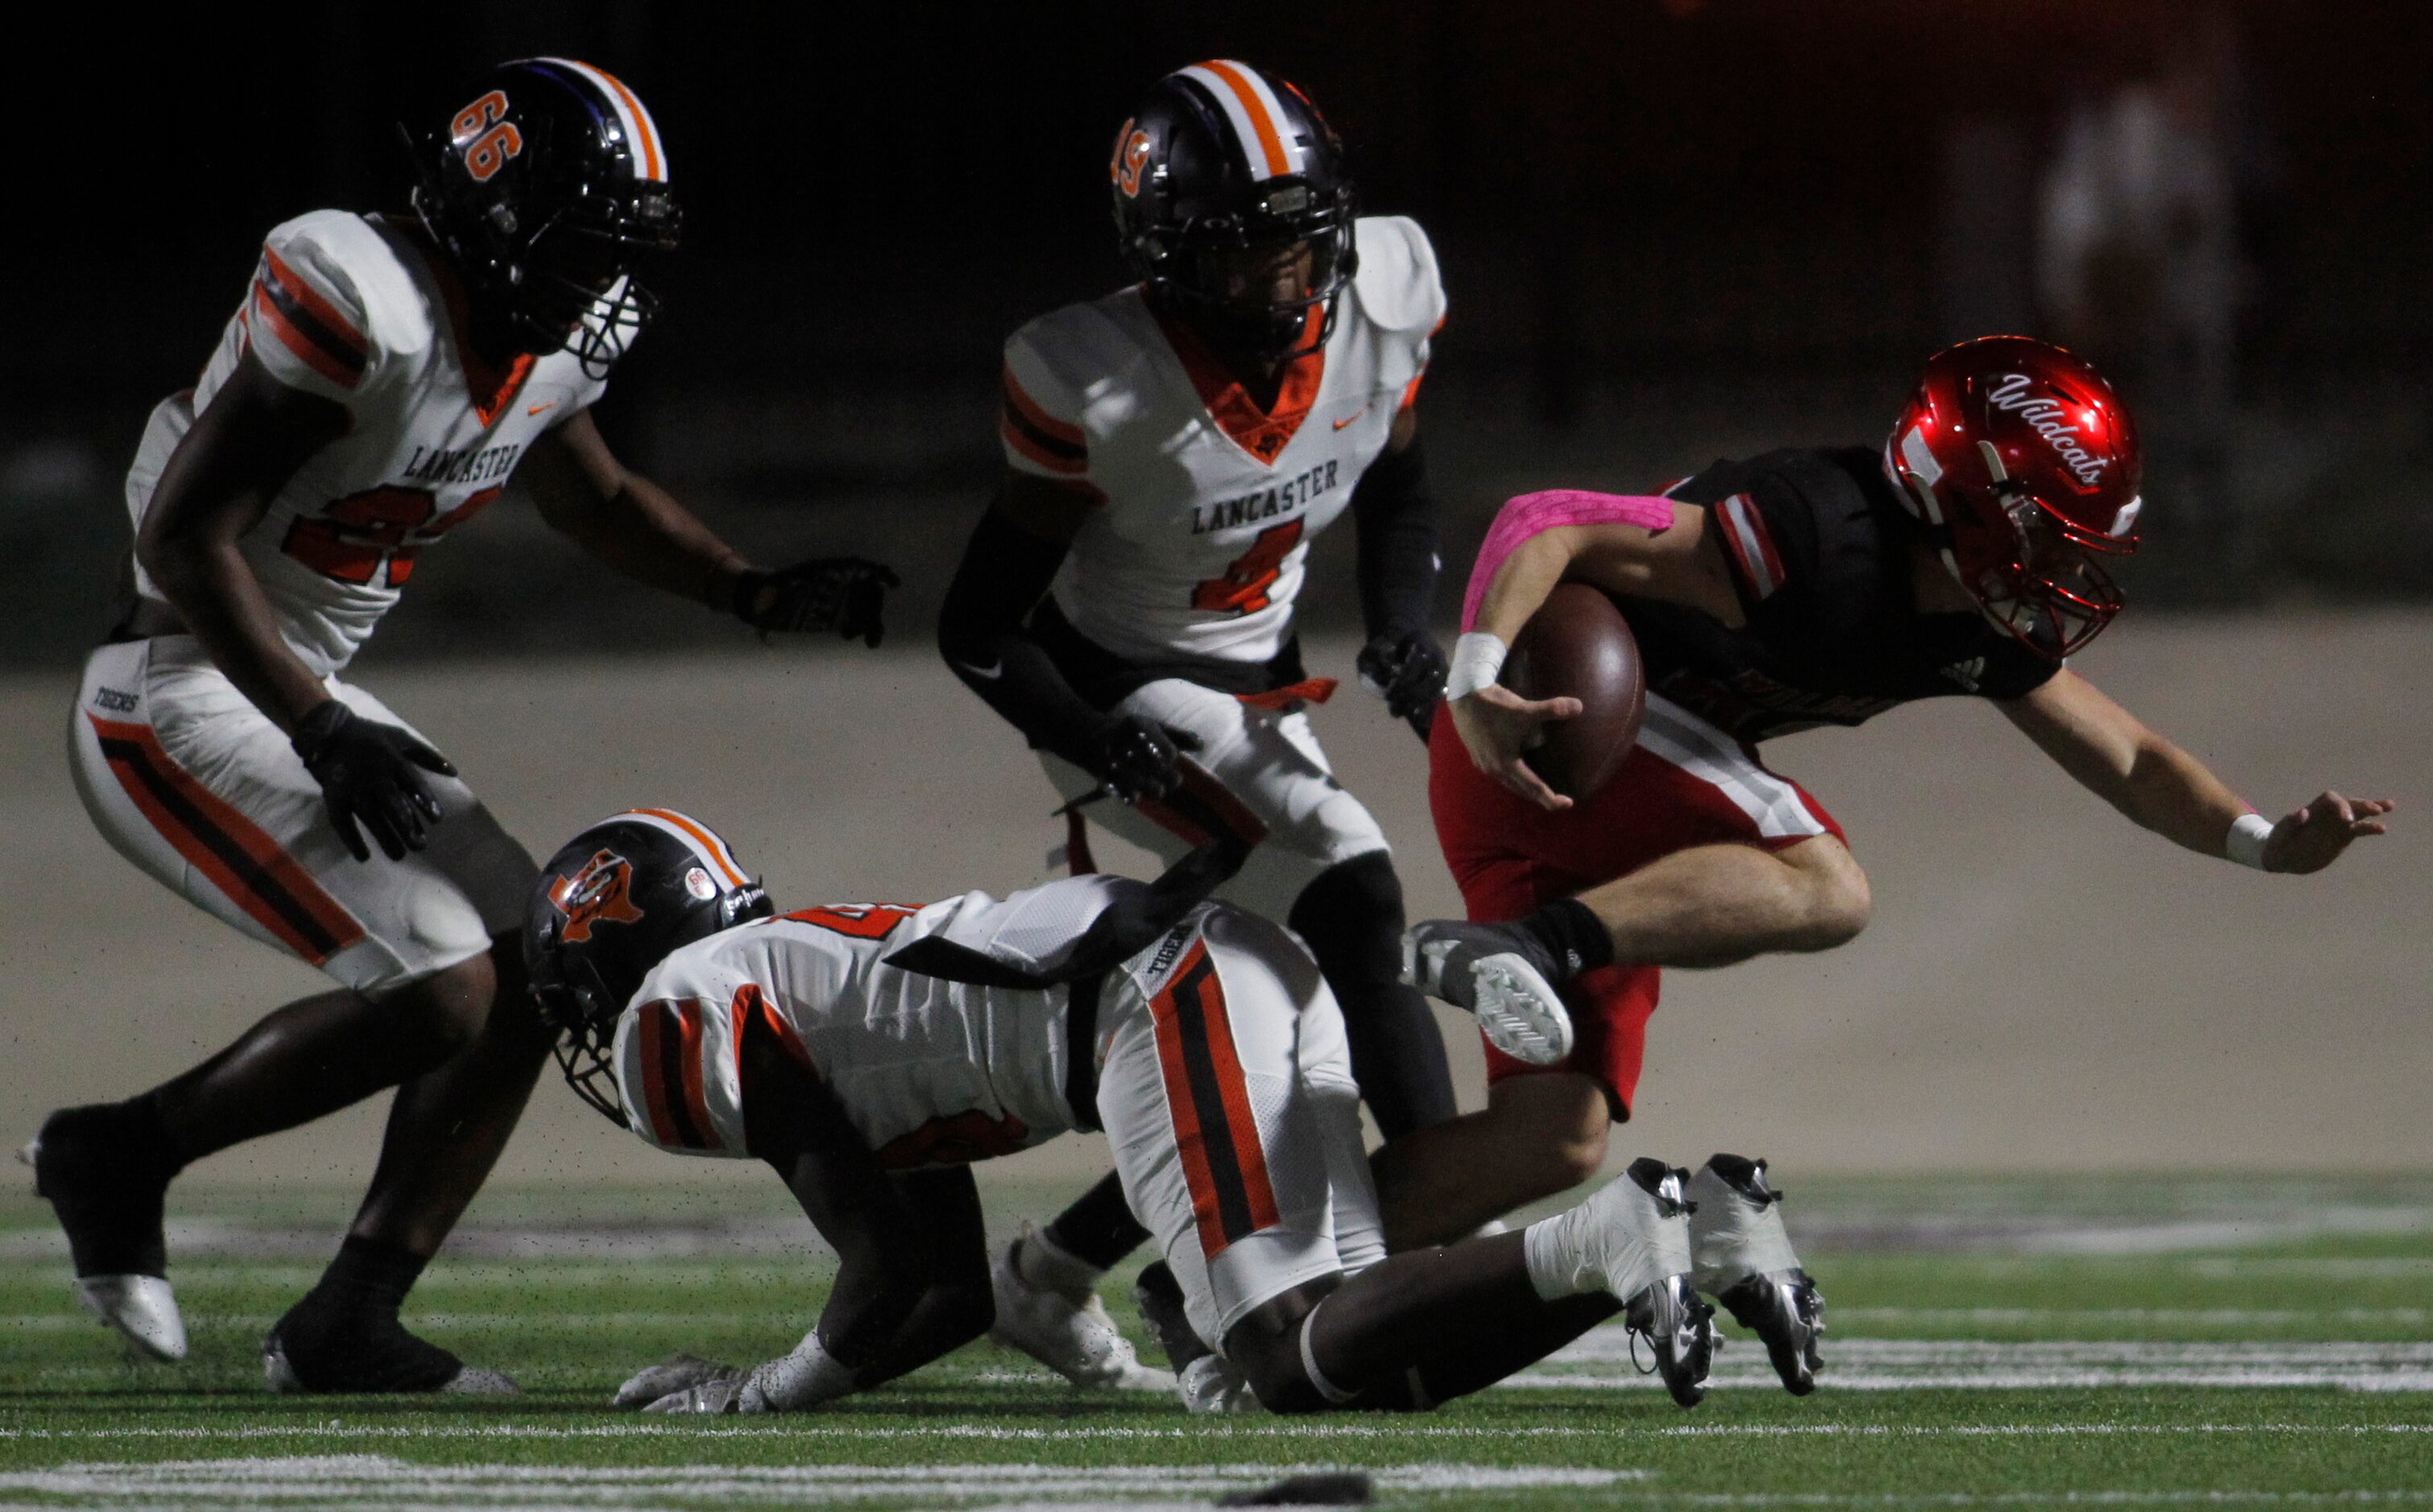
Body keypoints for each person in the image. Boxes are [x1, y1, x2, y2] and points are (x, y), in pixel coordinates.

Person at [27, 59, 896, 1394]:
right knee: (445, 986)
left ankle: (347, 1317)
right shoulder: (360, 299)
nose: (601, 279)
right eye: (585, 242)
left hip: (289, 687)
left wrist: (748, 586)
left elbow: (596, 502)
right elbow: (184, 540)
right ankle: (123, 1150)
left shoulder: (527, 336)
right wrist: (320, 726)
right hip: (172, 688)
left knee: (527, 971)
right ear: (501, 216)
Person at [1397, 335, 2394, 1392]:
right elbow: (1538, 518)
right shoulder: (1813, 530)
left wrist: (2260, 842)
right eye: (2049, 539)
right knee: (1825, 881)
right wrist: (1474, 677)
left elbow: (2134, 759)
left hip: (1570, 796)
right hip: (1548, 731)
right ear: (1968, 501)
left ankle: (1267, 1270)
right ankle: (1520, 948)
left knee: (1546, 1145)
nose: (2063, 570)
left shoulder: (1960, 607)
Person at [934, 60, 1502, 1367]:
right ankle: (1432, 1262)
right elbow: (978, 628)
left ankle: (1050, 1268)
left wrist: (1402, 627)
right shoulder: (1095, 378)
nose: (1288, 281)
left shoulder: (1388, 298)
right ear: (1170, 259)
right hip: (1112, 684)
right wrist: (1095, 740)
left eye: (1302, 243)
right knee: (1357, 893)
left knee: (1284, 1010)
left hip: (1254, 679)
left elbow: (1401, 492)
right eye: (1246, 257)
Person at [524, 810, 1742, 1415]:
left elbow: (880, 1261)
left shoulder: (675, 1014)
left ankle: (1607, 1234)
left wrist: (761, 1392)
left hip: (1151, 998)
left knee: (1281, 1347)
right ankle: (1679, 1237)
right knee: (1354, 1367)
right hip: (1212, 976)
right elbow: (943, 1289)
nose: (597, 1036)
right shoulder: (790, 983)